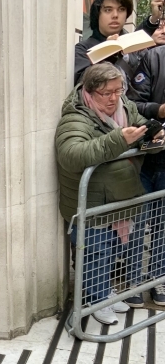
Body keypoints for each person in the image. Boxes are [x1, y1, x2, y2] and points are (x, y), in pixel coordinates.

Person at [56, 62, 154, 324]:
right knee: (94, 252)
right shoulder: (76, 116)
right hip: (91, 203)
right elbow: (71, 154)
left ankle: (104, 293)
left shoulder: (124, 106)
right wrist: (120, 140)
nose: (114, 98)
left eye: (118, 90)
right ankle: (95, 300)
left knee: (109, 251)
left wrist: (153, 137)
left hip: (115, 200)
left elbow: (140, 125)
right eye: (107, 93)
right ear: (90, 91)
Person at [128, 42, 165, 305]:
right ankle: (133, 280)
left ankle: (157, 278)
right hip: (144, 159)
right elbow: (132, 104)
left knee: (163, 224)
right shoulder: (152, 57)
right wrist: (158, 111)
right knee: (136, 222)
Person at [74, 0, 164, 86]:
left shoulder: (132, 47)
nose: (115, 15)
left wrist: (154, 17)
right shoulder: (83, 50)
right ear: (98, 14)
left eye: (121, 9)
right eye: (108, 10)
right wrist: (106, 53)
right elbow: (83, 85)